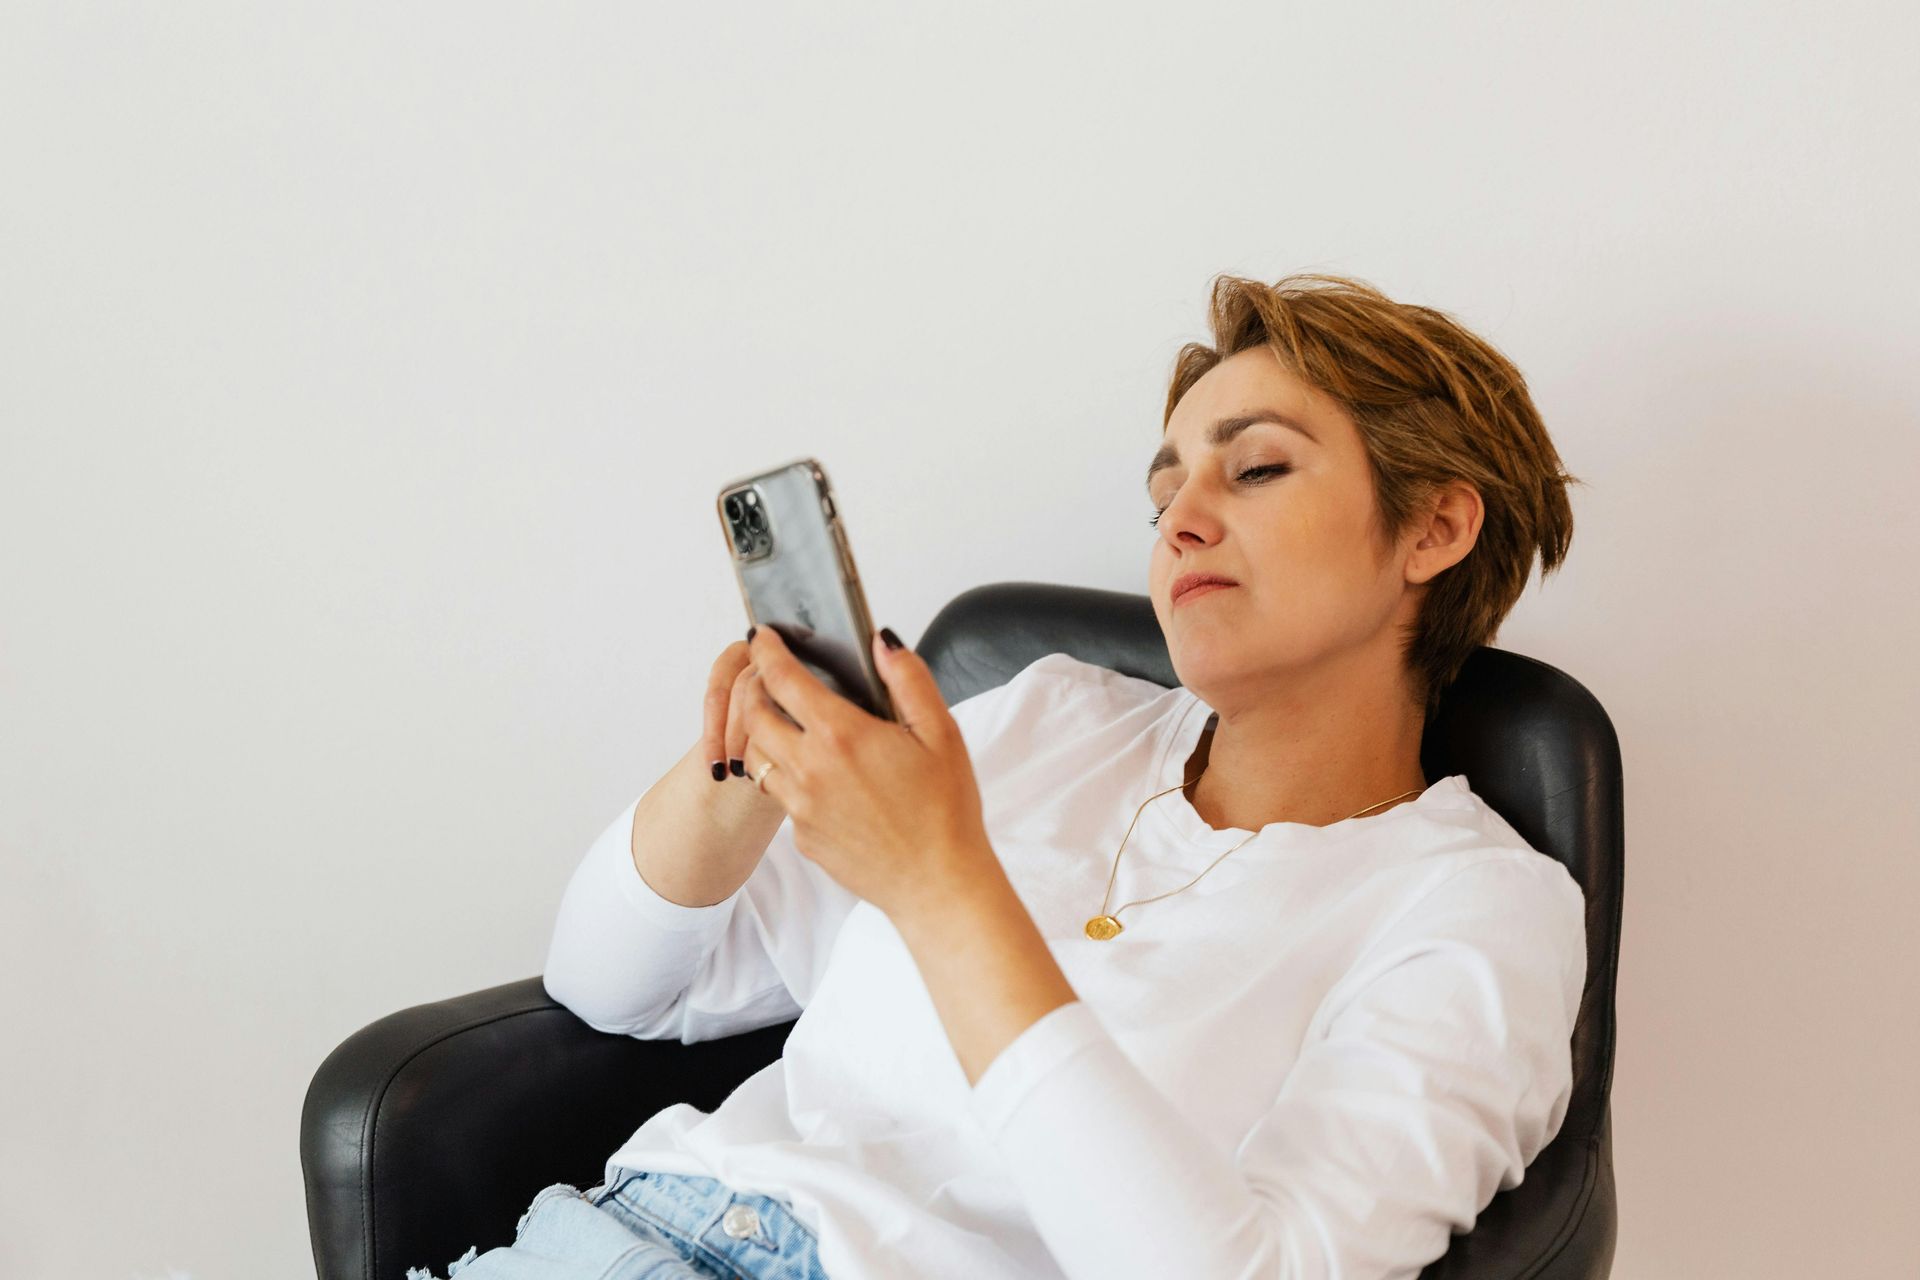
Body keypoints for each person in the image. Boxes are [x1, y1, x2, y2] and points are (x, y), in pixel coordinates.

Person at [407, 271, 1589, 1280]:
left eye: (1259, 469)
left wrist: (940, 883)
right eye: (1166, 487)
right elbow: (614, 984)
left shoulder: (1477, 911)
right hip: (603, 1237)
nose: (1181, 518)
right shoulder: (1056, 713)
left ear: (1434, 528)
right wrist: (746, 761)